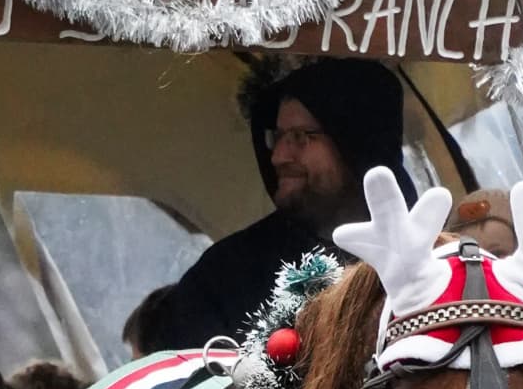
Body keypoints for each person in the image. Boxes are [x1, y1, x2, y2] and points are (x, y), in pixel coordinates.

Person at [129, 61, 416, 353]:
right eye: (277, 137)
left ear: (358, 142)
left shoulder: (434, 258)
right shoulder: (227, 276)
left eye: (301, 137)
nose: (278, 156)